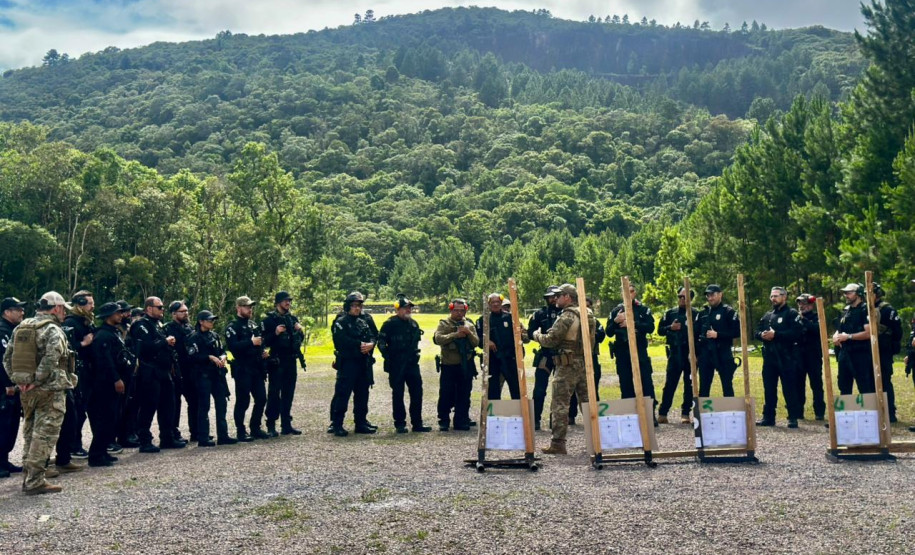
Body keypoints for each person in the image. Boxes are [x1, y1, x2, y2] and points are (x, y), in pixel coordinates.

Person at [3, 292, 80, 495]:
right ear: (56, 308)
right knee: (44, 435)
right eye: (63, 309)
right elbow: (52, 358)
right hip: (50, 389)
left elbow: (7, 357)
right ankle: (35, 481)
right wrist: (37, 380)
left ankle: (29, 477)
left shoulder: (22, 326)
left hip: (27, 391)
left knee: (30, 433)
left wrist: (20, 382)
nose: (64, 313)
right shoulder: (52, 329)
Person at [532, 284, 596, 455]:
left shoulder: (567, 316)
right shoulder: (588, 314)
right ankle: (597, 439)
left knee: (560, 404)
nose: (555, 299)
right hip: (583, 363)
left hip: (566, 364)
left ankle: (558, 443)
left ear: (567, 297)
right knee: (588, 402)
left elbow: (551, 340)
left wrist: (536, 335)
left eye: (559, 296)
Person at [129, 297, 184, 453]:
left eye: (163, 307)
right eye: (159, 307)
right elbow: (145, 348)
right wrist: (165, 342)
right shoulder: (141, 325)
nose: (162, 310)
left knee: (168, 405)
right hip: (149, 371)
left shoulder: (158, 325)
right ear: (149, 309)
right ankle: (144, 440)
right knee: (148, 406)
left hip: (163, 370)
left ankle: (167, 438)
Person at [377, 295, 431, 433]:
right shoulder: (389, 324)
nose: (408, 310)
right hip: (396, 365)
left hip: (412, 364)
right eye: (405, 308)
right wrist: (389, 357)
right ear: (397, 310)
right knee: (398, 394)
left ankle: (417, 423)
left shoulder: (413, 324)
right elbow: (381, 343)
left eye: (409, 308)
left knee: (417, 393)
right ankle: (400, 423)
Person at [330, 291, 378, 436]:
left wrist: (370, 345)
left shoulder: (363, 321)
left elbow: (373, 336)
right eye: (354, 306)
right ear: (348, 307)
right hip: (348, 363)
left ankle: (361, 423)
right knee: (343, 394)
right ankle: (337, 424)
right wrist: (360, 344)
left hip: (363, 363)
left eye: (359, 306)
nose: (357, 308)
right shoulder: (341, 322)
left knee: (363, 394)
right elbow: (341, 341)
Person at [755, 287, 803, 428]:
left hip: (786, 357)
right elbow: (756, 331)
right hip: (769, 358)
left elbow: (797, 333)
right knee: (769, 388)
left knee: (789, 388)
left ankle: (793, 417)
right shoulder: (768, 315)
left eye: (776, 296)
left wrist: (776, 335)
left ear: (784, 297)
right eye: (771, 296)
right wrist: (761, 335)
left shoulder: (792, 313)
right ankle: (768, 417)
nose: (773, 299)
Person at [606, 284, 656, 418]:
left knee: (646, 383)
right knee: (626, 384)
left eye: (632, 291)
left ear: (635, 293)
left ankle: (650, 416)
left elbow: (651, 327)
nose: (629, 294)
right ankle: (630, 417)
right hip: (622, 353)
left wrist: (633, 324)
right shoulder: (616, 311)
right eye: (625, 291)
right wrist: (616, 321)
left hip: (640, 352)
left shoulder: (643, 310)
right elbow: (608, 332)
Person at [187, 310, 236, 447]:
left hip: (217, 375)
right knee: (204, 406)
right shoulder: (194, 337)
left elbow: (222, 350)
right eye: (209, 320)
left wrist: (223, 356)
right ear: (201, 321)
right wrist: (209, 357)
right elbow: (191, 357)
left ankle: (223, 435)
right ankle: (203, 438)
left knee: (222, 404)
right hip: (203, 376)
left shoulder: (214, 335)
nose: (212, 322)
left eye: (213, 320)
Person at [87, 302, 127, 466]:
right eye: (117, 313)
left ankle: (103, 451)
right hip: (105, 383)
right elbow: (105, 361)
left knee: (112, 418)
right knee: (105, 419)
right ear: (109, 316)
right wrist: (116, 379)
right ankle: (96, 455)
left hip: (114, 380)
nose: (120, 315)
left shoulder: (114, 332)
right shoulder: (103, 335)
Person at [225, 296, 269, 441]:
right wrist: (250, 343)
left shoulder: (253, 325)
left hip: (256, 367)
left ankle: (255, 427)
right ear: (239, 308)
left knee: (262, 398)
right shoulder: (232, 327)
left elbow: (260, 342)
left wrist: (263, 352)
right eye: (247, 306)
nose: (250, 309)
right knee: (243, 401)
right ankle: (241, 431)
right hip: (243, 368)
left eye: (251, 307)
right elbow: (233, 347)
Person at [262, 291, 304, 436]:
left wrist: (300, 331)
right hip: (277, 361)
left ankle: (286, 424)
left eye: (289, 301)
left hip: (290, 360)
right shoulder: (269, 321)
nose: (288, 303)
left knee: (288, 393)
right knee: (274, 394)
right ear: (278, 302)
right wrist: (275, 333)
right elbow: (264, 341)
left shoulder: (292, 319)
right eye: (286, 301)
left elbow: (298, 340)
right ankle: (271, 425)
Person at [433, 298, 479, 431]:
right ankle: (444, 420)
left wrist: (468, 333)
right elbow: (438, 339)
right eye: (456, 310)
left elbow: (476, 342)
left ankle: (461, 419)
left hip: (466, 365)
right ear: (451, 310)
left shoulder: (469, 324)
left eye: (462, 311)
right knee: (446, 393)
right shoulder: (444, 323)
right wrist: (455, 335)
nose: (459, 313)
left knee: (464, 394)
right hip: (449, 365)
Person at [61, 290, 95, 461]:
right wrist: (83, 343)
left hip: (87, 371)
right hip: (76, 372)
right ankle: (73, 445)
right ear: (80, 304)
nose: (92, 306)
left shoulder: (86, 321)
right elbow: (67, 348)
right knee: (77, 411)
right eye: (89, 303)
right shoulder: (71, 322)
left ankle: (75, 444)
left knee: (82, 410)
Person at [657, 287, 697, 424]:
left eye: (684, 297)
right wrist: (670, 328)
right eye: (679, 296)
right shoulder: (670, 313)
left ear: (690, 298)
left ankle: (686, 413)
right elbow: (659, 330)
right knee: (670, 384)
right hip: (675, 352)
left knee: (689, 385)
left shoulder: (696, 314)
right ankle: (663, 412)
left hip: (690, 354)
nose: (681, 299)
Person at [476, 293, 525, 400]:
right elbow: (476, 339)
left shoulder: (510, 318)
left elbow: (521, 337)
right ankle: (494, 415)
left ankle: (518, 414)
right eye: (493, 302)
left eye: (498, 302)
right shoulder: (482, 320)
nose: (495, 304)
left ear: (501, 303)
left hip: (510, 359)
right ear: (488, 304)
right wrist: (486, 341)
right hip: (493, 360)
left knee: (516, 389)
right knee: (493, 390)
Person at [696, 284, 740, 397]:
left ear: (720, 294)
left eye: (713, 295)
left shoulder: (728, 312)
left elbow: (737, 332)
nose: (710, 298)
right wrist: (696, 354)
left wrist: (718, 335)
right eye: (708, 295)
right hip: (705, 354)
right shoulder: (703, 313)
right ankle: (702, 414)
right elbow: (695, 334)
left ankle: (730, 414)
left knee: (727, 386)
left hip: (723, 352)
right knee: (704, 388)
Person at [0, 297, 27, 477]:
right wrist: (7, 384)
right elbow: (1, 361)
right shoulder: (2, 331)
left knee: (11, 426)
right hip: (4, 388)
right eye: (18, 309)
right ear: (7, 312)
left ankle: (4, 460)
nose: (22, 312)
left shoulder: (13, 330)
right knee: (3, 425)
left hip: (15, 386)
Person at [832, 283, 874, 395]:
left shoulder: (865, 309)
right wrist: (836, 336)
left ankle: (868, 412)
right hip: (845, 354)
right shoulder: (846, 310)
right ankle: (846, 412)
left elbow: (869, 333)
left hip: (861, 354)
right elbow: (839, 328)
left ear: (859, 294)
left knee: (865, 387)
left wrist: (849, 337)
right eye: (845, 293)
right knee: (843, 386)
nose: (846, 295)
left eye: (849, 293)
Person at [568, 297, 605, 426]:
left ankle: (596, 417)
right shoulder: (573, 321)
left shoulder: (595, 322)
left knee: (592, 389)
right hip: (577, 358)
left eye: (589, 306)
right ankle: (570, 416)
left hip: (592, 358)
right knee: (572, 390)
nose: (587, 308)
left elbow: (601, 336)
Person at [529, 286, 561, 431]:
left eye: (556, 296)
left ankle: (555, 421)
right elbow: (530, 333)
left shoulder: (567, 313)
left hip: (563, 355)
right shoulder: (539, 314)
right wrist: (540, 337)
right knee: (539, 390)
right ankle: (535, 419)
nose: (553, 299)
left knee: (561, 390)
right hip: (546, 354)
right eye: (550, 297)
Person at [163, 301, 194, 443]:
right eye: (182, 311)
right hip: (176, 369)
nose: (186, 313)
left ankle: (196, 431)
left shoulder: (189, 327)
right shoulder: (167, 328)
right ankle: (173, 432)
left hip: (190, 369)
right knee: (174, 403)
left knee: (194, 401)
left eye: (186, 310)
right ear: (174, 313)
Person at [874, 283, 902, 422]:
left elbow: (897, 332)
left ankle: (890, 413)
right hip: (868, 351)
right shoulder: (864, 309)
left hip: (884, 350)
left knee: (885, 381)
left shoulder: (887, 310)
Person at [115, 300, 140, 449]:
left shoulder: (130, 328)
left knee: (132, 406)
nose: (128, 314)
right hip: (120, 373)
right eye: (125, 311)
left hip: (133, 372)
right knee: (119, 408)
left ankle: (129, 433)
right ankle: (120, 436)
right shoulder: (116, 330)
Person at [795, 293, 825, 420]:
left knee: (816, 384)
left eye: (804, 303)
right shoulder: (795, 317)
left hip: (813, 354)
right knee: (798, 384)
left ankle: (819, 412)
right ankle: (798, 411)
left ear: (811, 305)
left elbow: (817, 329)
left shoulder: (817, 316)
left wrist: (804, 320)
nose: (802, 306)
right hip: (799, 354)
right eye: (800, 303)